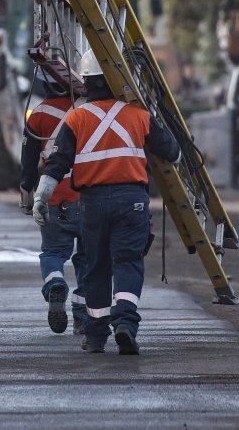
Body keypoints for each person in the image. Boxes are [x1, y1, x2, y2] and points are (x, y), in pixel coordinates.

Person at [35, 49, 180, 355]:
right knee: (128, 262)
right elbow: (173, 152)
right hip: (132, 202)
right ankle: (125, 323)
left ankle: (96, 336)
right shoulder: (139, 116)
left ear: (86, 83)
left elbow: (57, 163)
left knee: (96, 267)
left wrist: (40, 197)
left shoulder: (76, 118)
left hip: (92, 203)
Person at [20, 69, 87, 336]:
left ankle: (55, 281)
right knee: (88, 257)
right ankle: (83, 318)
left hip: (53, 195)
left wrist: (27, 191)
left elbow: (28, 159)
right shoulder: (91, 111)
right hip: (87, 194)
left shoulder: (38, 113)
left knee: (53, 252)